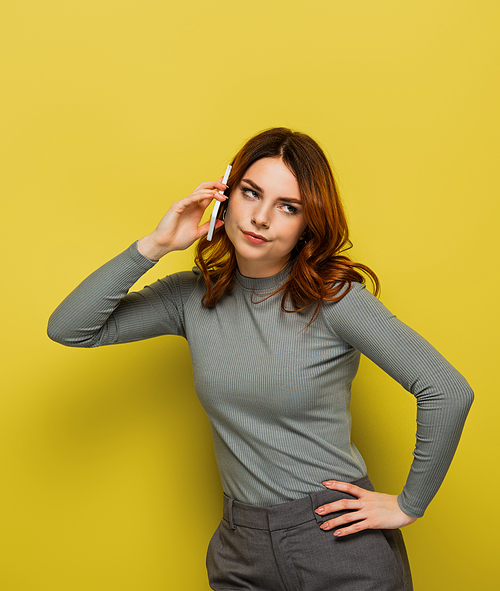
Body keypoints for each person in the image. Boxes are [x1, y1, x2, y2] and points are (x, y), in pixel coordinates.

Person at [47, 127, 473, 591]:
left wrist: (409, 504)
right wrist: (155, 244)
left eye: (288, 207)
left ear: (307, 224)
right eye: (251, 193)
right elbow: (70, 328)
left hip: (337, 541)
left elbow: (447, 390)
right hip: (240, 545)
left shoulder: (335, 301)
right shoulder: (193, 297)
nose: (262, 218)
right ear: (226, 198)